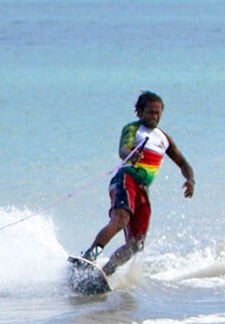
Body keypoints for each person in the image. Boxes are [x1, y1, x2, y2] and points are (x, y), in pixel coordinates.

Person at [83, 90, 196, 279]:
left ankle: (105, 274)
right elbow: (123, 149)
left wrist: (190, 180)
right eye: (151, 112)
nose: (155, 116)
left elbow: (184, 164)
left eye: (158, 113)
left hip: (143, 190)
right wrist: (131, 154)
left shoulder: (164, 138)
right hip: (127, 179)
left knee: (136, 244)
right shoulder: (133, 129)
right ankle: (89, 258)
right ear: (141, 112)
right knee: (120, 221)